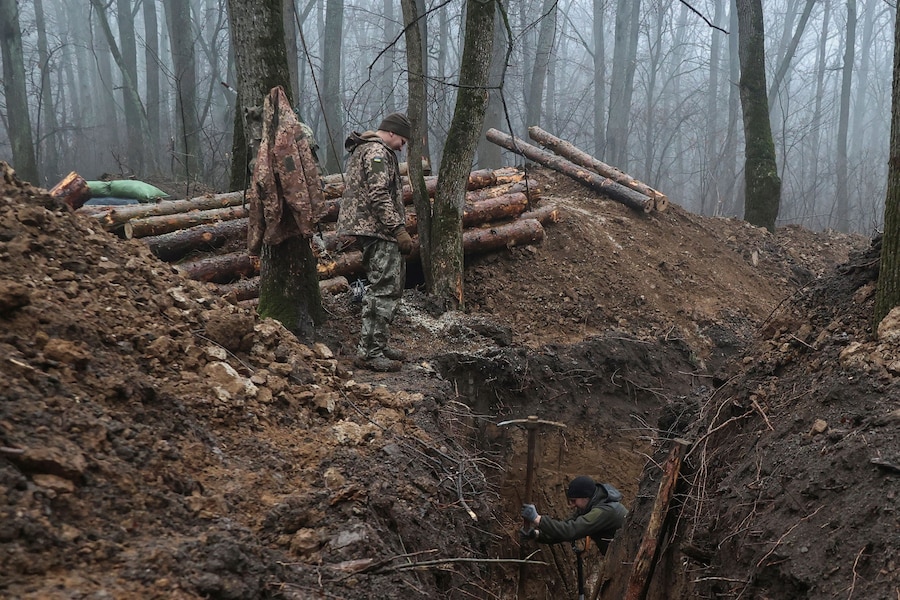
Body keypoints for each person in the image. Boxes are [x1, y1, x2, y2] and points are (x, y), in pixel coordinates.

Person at [337, 112, 414, 372]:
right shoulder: (376, 153)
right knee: (382, 288)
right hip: (378, 230)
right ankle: (370, 352)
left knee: (387, 287)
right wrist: (398, 229)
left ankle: (378, 344)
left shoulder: (368, 150)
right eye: (402, 140)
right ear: (391, 132)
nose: (403, 147)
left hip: (374, 229)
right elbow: (379, 193)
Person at [520, 475, 628, 554]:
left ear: (585, 498)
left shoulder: (604, 511)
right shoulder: (591, 505)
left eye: (573, 501)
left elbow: (570, 531)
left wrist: (537, 519)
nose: (571, 505)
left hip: (628, 559)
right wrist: (536, 534)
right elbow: (564, 528)